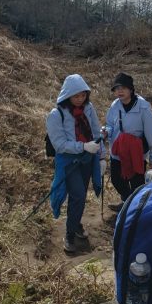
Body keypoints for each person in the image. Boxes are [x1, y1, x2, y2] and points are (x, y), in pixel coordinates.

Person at [46, 74, 102, 254]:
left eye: (83, 95)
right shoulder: (56, 114)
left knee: (81, 194)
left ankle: (76, 223)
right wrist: (83, 146)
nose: (80, 99)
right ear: (67, 95)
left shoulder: (89, 108)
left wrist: (101, 156)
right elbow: (59, 144)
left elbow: (95, 131)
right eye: (76, 96)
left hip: (87, 158)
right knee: (77, 194)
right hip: (69, 161)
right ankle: (70, 234)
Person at [103, 72, 152, 211]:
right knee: (117, 180)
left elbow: (151, 132)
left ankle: (135, 210)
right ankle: (128, 203)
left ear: (131, 89)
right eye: (117, 88)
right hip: (118, 152)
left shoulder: (143, 107)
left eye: (123, 87)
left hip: (136, 153)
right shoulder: (115, 106)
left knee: (137, 184)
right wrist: (106, 131)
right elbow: (110, 125)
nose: (120, 91)